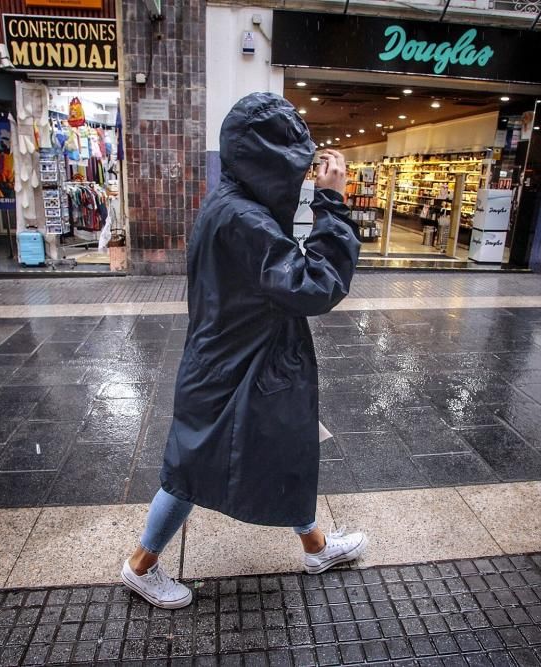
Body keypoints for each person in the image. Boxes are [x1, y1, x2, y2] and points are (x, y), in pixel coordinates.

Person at [121, 92, 366, 609]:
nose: (302, 177)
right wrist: (333, 204)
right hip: (236, 366)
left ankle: (316, 546)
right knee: (191, 468)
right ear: (267, 162)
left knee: (289, 449)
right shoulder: (244, 218)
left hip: (239, 358)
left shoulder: (231, 201)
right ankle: (140, 565)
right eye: (294, 166)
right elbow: (314, 284)